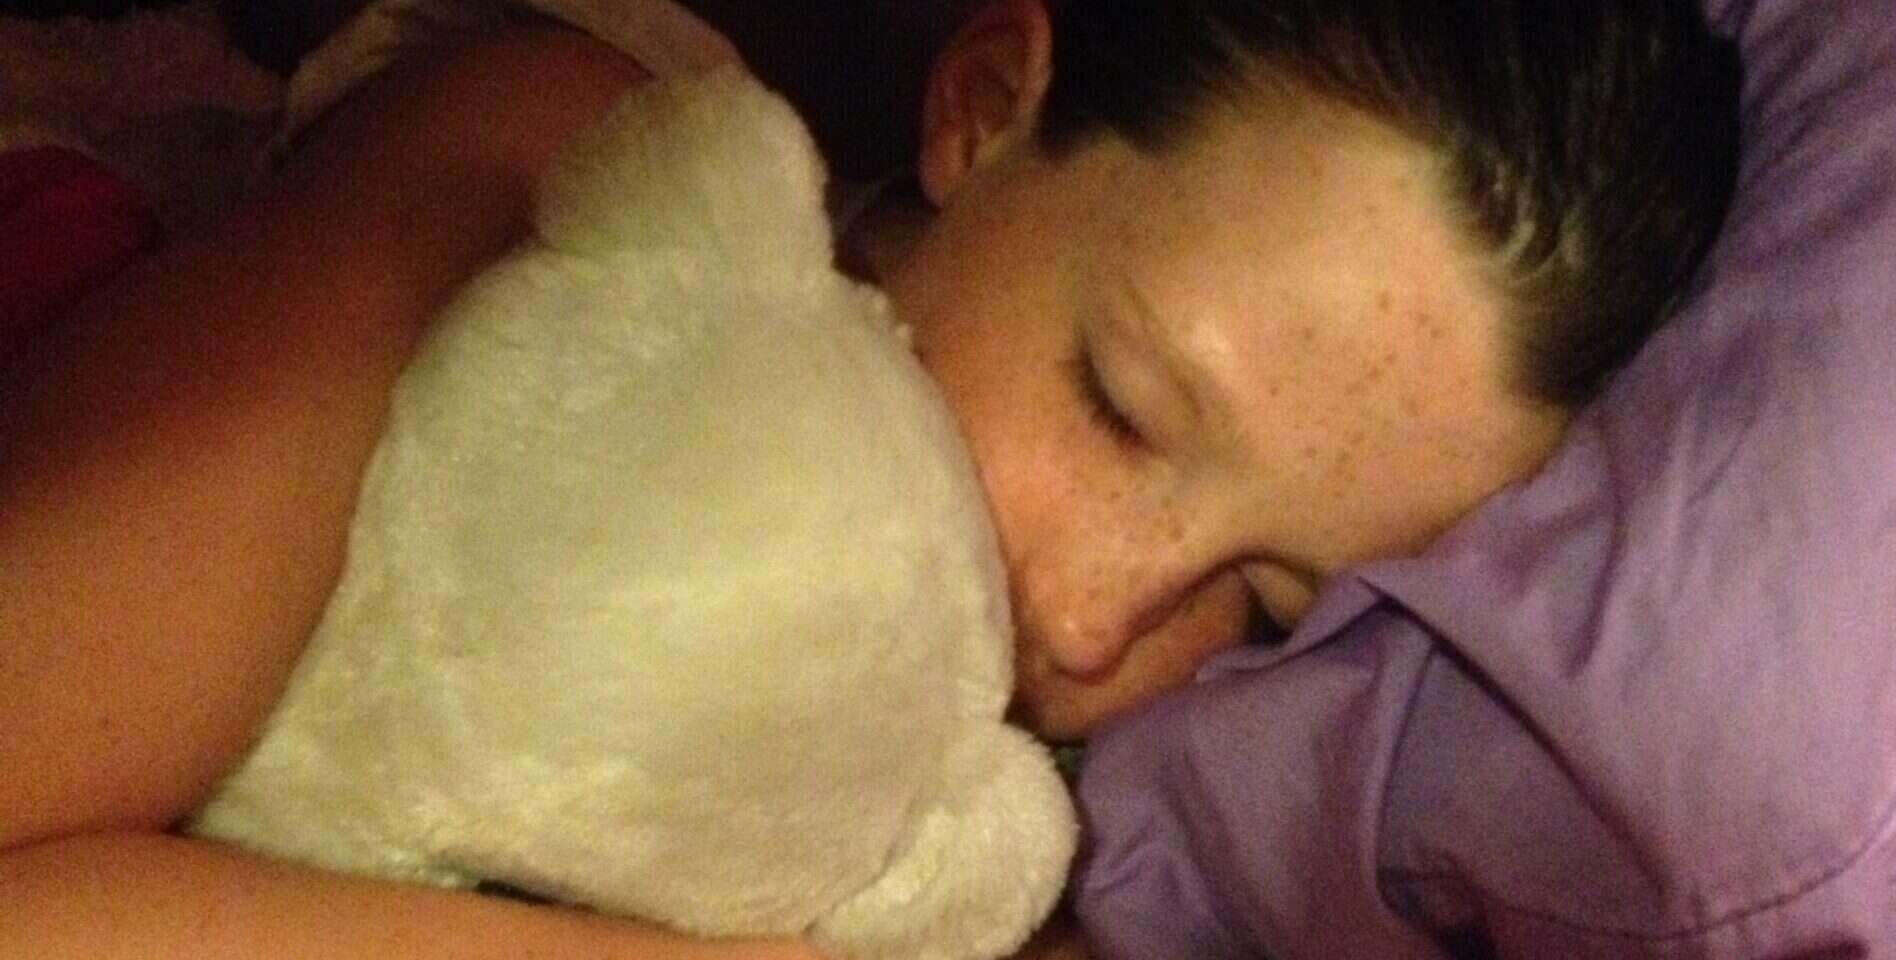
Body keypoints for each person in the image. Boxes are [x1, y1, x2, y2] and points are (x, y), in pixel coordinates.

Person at [0, 0, 1738, 957]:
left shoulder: (1063, 831)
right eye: (1123, 405)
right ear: (983, 108)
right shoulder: (568, 170)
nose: (1088, 620)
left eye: (1267, 600)